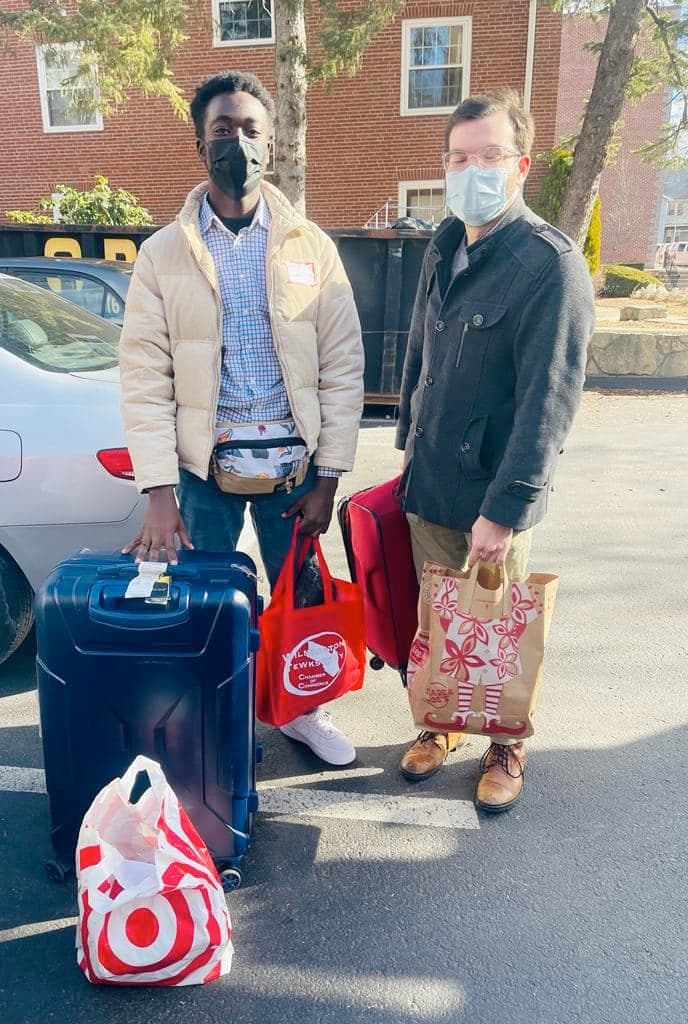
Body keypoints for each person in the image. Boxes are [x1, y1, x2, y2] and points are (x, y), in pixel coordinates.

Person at [119, 71, 365, 766]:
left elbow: (343, 365)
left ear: (270, 143)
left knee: (303, 602)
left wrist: (330, 476)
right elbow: (143, 378)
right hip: (205, 472)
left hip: (295, 471)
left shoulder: (309, 246)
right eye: (223, 130)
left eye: (252, 130)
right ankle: (221, 720)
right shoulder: (163, 254)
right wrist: (159, 493)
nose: (239, 144)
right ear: (201, 144)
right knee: (209, 607)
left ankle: (300, 712)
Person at [396, 87, 596, 812]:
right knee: (439, 621)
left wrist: (506, 512)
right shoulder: (443, 246)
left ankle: (507, 743)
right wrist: (405, 451)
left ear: (520, 164)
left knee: (499, 628)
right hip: (430, 484)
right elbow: (421, 354)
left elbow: (550, 402)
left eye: (488, 155)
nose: (470, 170)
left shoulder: (549, 265)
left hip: (491, 496)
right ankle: (442, 724)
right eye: (458, 157)